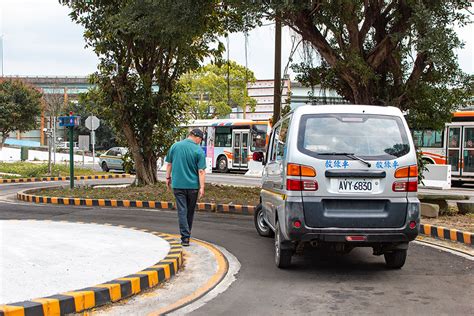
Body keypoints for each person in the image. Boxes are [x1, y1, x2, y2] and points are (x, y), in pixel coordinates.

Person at [165, 129, 206, 246]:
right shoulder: (198, 150)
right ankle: (187, 234)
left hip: (178, 185)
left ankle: (185, 238)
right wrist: (202, 187)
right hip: (193, 186)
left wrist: (167, 178)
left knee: (182, 211)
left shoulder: (175, 146)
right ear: (196, 137)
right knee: (189, 211)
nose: (200, 142)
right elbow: (201, 171)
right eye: (201, 139)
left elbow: (169, 164)